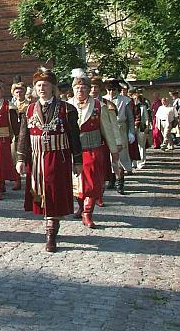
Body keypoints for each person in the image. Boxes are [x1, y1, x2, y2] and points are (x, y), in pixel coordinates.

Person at [16, 67, 82, 252]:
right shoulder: (28, 110)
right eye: (38, 85)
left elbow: (74, 137)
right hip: (36, 159)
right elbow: (23, 136)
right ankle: (50, 224)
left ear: (53, 87)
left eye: (45, 85)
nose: (42, 88)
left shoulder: (67, 109)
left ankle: (51, 232)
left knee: (55, 195)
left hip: (58, 158)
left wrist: (78, 161)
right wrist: (21, 159)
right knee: (40, 195)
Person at [68, 70, 120, 228]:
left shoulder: (99, 106)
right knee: (76, 183)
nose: (80, 91)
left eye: (83, 88)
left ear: (88, 89)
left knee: (91, 184)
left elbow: (107, 130)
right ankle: (80, 207)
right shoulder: (66, 106)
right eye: (77, 88)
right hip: (73, 150)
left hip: (92, 150)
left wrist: (114, 150)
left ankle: (87, 213)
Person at [0, 79, 21, 199]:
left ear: (2, 91)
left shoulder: (8, 106)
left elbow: (15, 126)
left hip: (3, 138)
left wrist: (17, 139)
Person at [104, 79, 136, 195]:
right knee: (108, 156)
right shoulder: (103, 100)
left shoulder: (125, 100)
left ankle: (120, 182)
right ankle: (111, 180)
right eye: (109, 89)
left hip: (120, 128)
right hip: (107, 129)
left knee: (120, 157)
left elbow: (130, 118)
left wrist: (131, 132)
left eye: (113, 89)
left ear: (118, 90)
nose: (111, 92)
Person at [131, 89, 151, 168]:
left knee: (141, 145)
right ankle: (134, 162)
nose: (135, 100)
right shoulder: (130, 107)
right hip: (132, 128)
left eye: (137, 99)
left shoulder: (143, 107)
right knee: (133, 145)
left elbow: (146, 118)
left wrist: (147, 127)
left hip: (141, 128)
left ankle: (142, 162)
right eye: (134, 98)